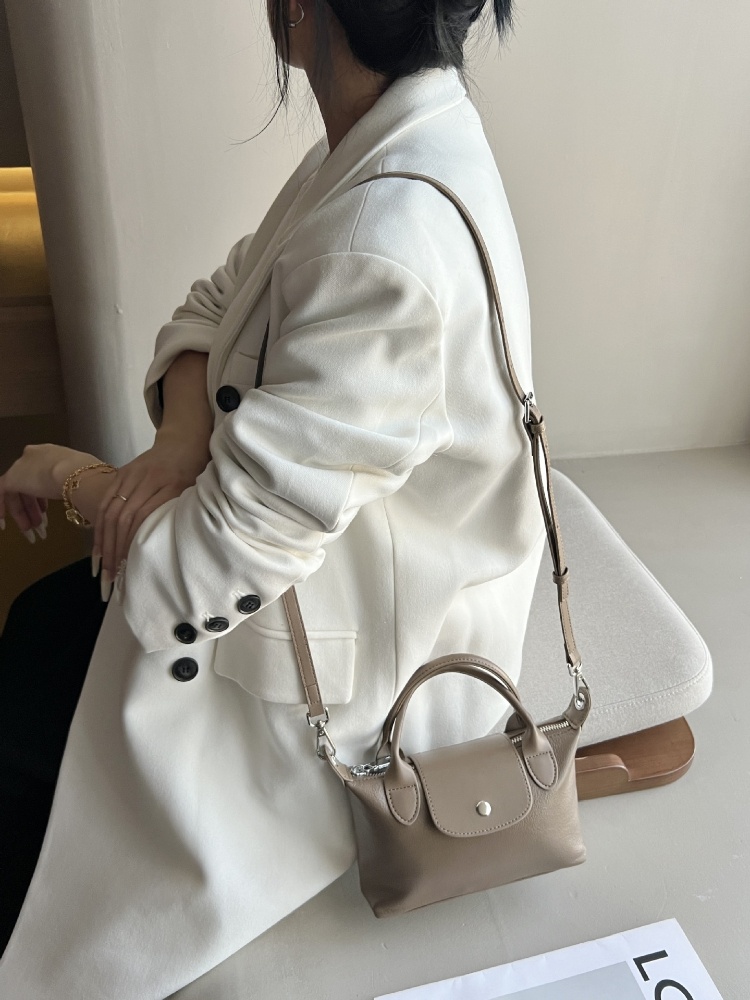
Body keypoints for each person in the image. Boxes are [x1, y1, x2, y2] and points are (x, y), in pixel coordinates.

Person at [0, 0, 548, 994]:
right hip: (327, 554)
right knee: (41, 638)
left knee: (40, 704)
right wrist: (178, 442)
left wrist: (72, 475)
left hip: (383, 669)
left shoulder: (384, 239)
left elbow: (199, 570)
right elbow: (218, 298)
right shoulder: (395, 138)